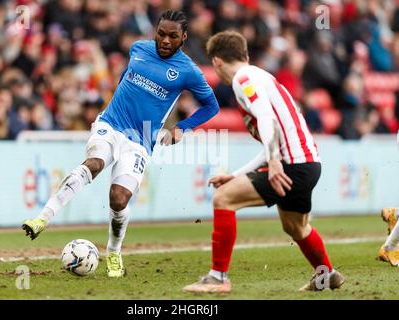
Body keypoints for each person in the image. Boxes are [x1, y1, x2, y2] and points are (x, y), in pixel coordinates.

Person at [22, 10, 219, 278]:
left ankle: (113, 252)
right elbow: (126, 76)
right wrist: (119, 103)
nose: (165, 40)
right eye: (161, 33)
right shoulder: (138, 48)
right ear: (156, 31)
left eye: (173, 36)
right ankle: (43, 218)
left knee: (118, 198)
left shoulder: (188, 71)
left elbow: (212, 106)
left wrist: (182, 128)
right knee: (95, 163)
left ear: (183, 37)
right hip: (111, 124)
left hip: (140, 140)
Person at [182, 30, 344, 293]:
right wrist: (238, 174)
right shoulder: (262, 76)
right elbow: (274, 135)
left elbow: (266, 119)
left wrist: (275, 161)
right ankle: (327, 275)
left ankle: (218, 278)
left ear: (216, 62)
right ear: (244, 54)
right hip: (309, 163)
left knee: (224, 198)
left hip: (291, 164)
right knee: (296, 227)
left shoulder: (243, 79)